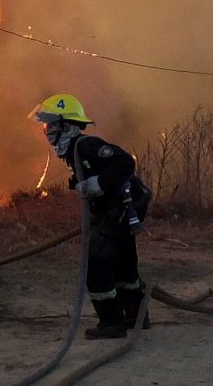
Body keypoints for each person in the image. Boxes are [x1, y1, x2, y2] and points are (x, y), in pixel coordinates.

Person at [29, 93, 152, 339]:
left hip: (120, 209)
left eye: (50, 126)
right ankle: (136, 316)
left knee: (97, 264)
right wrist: (79, 183)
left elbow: (125, 163)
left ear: (66, 126)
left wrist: (97, 184)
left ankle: (111, 323)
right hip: (120, 210)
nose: (47, 132)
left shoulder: (86, 146)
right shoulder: (75, 151)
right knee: (124, 264)